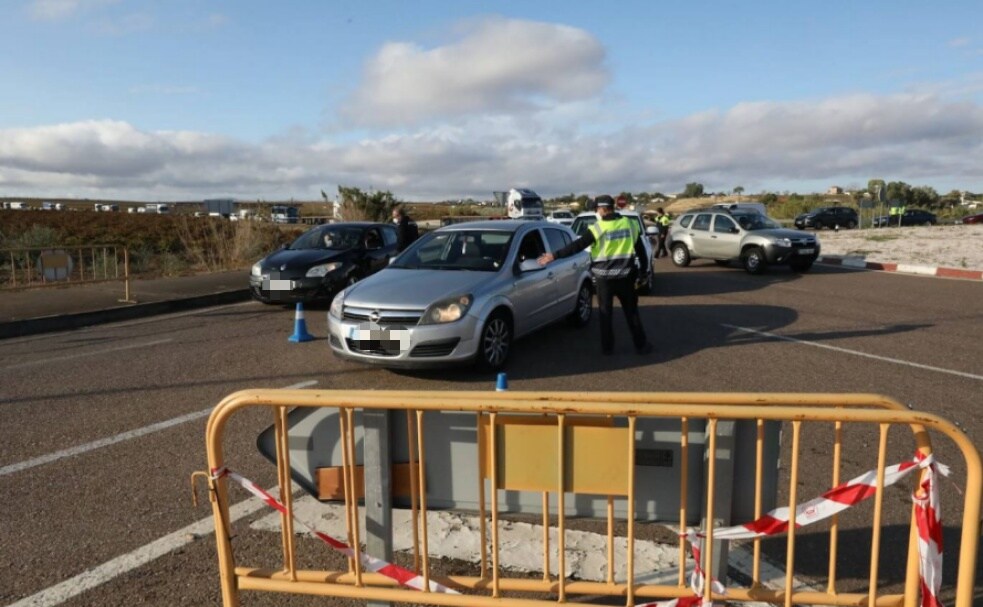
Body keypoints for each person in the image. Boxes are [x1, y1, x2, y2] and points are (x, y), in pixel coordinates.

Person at [538, 195, 653, 355]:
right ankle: (641, 345)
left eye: (597, 209)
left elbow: (577, 246)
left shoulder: (598, 228)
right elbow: (640, 251)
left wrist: (554, 256)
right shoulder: (630, 224)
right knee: (631, 312)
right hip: (626, 278)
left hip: (604, 280)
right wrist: (643, 272)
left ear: (603, 209)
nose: (597, 212)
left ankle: (607, 349)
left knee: (605, 314)